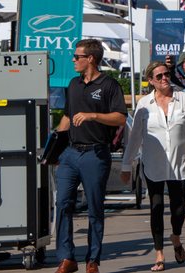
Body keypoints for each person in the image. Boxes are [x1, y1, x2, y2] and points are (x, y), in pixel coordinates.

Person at [53, 39, 128, 273]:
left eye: (77, 57)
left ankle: (92, 259)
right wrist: (52, 145)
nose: (73, 60)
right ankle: (67, 258)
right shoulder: (73, 84)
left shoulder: (109, 85)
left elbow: (120, 118)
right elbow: (67, 117)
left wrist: (93, 115)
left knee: (95, 208)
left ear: (91, 59)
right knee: (62, 203)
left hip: (95, 153)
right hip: (70, 153)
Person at [121, 62, 185, 272]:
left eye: (167, 74)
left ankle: (175, 237)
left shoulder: (183, 99)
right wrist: (126, 165)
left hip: (179, 162)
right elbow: (135, 136)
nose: (164, 78)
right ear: (151, 81)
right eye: (159, 76)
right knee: (156, 208)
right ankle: (159, 253)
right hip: (153, 164)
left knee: (178, 209)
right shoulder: (145, 104)